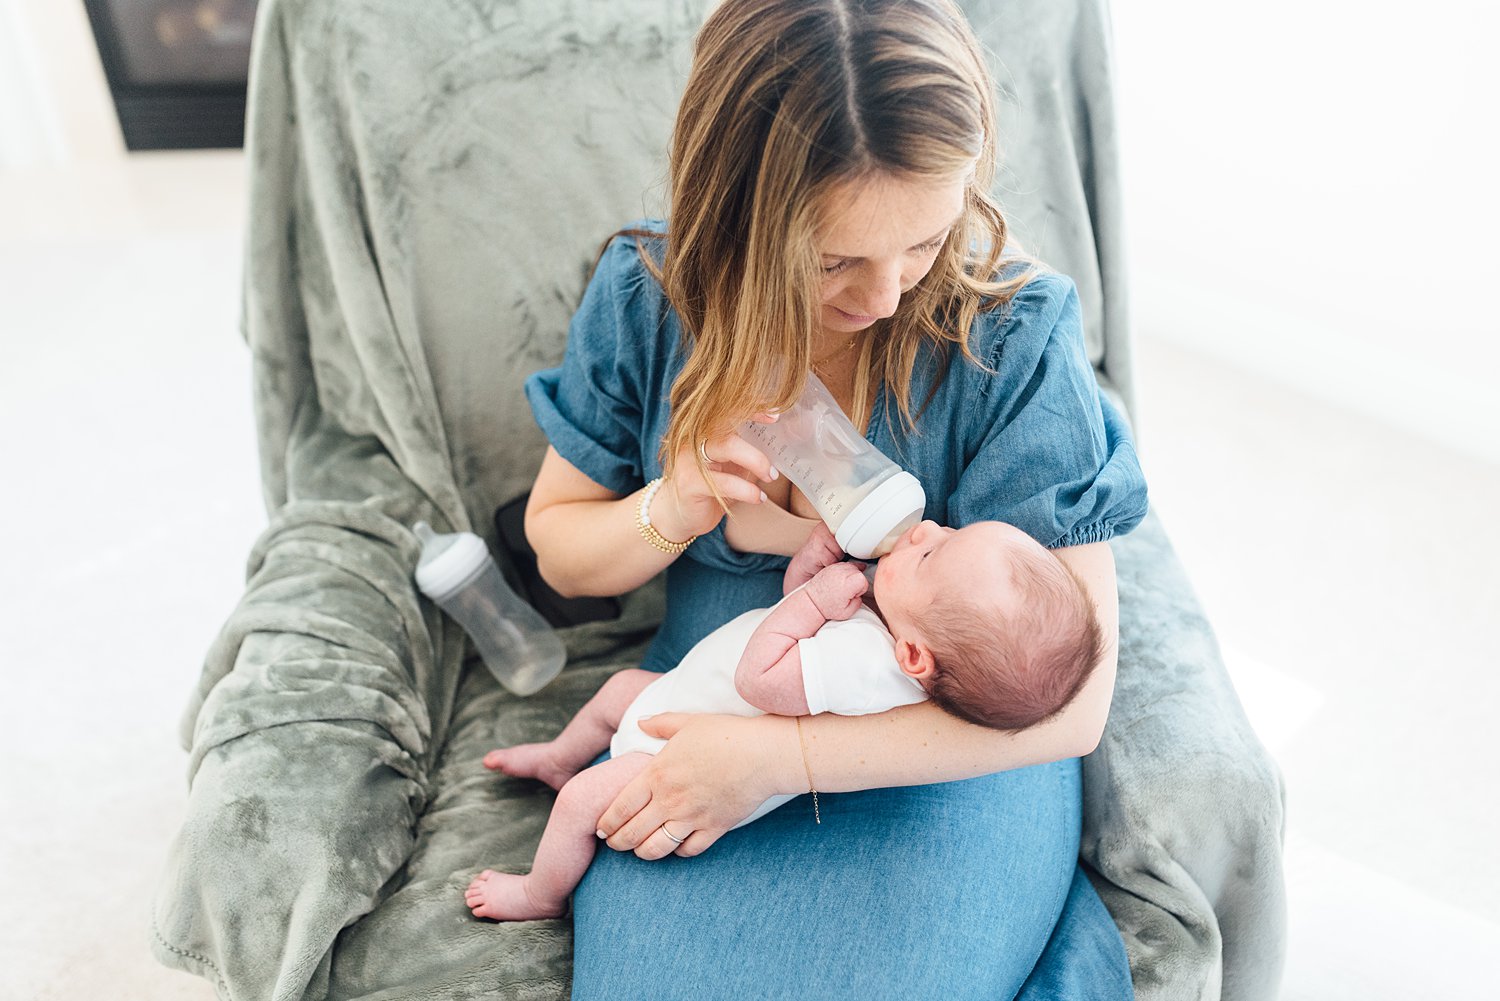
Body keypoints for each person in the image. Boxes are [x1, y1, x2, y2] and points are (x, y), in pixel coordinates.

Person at [511, 0, 1149, 995]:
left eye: (923, 241)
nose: (888, 294)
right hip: (713, 693)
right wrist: (675, 503)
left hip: (945, 742)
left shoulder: (1013, 337)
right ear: (739, 212)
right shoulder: (653, 295)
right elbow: (559, 550)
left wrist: (783, 758)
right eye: (835, 259)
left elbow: (1072, 711)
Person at [466, 518, 1104, 921]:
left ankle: (539, 894)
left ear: (914, 657)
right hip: (680, 699)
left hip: (682, 751)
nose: (926, 529)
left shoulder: (867, 667)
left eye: (933, 556)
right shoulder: (891, 633)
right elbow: (792, 627)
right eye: (947, 534)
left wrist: (818, 598)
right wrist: (809, 579)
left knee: (583, 801)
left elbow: (762, 680)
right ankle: (556, 755)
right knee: (619, 691)